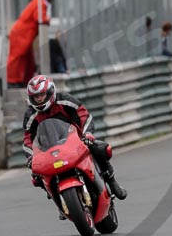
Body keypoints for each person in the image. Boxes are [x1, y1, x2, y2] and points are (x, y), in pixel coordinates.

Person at [22, 75, 127, 218]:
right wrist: (30, 157)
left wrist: (87, 134)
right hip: (49, 149)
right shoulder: (31, 114)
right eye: (36, 97)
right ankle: (58, 199)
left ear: (50, 92)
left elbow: (84, 115)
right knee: (36, 176)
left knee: (101, 149)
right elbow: (28, 138)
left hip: (76, 141)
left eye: (41, 95)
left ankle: (111, 181)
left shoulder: (65, 100)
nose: (39, 99)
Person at [7, 0, 52, 87]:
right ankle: (13, 81)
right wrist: (48, 20)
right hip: (23, 34)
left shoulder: (37, 1)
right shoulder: (41, 3)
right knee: (17, 58)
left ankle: (24, 80)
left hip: (23, 34)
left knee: (27, 59)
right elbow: (40, 18)